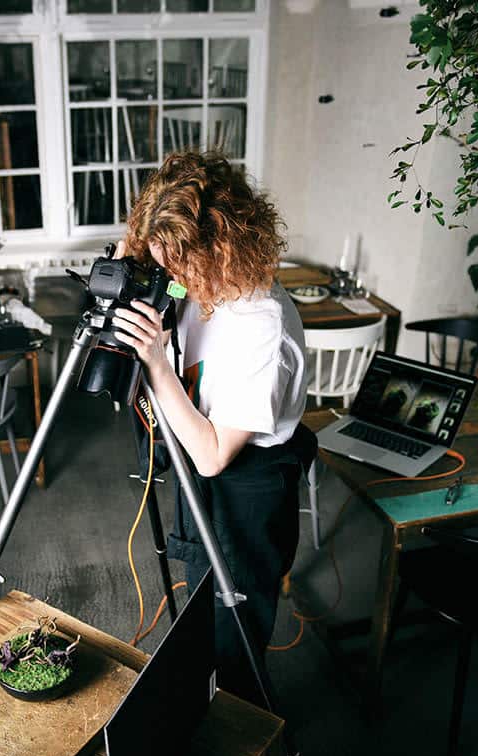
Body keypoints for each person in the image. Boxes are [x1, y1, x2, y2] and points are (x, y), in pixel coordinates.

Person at [110, 151, 315, 705]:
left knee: (236, 629)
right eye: (163, 265)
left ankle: (241, 743)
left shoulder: (261, 323)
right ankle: (200, 708)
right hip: (199, 448)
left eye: (179, 267)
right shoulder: (200, 286)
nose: (171, 281)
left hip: (249, 481)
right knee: (202, 602)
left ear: (222, 247)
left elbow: (212, 456)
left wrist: (154, 363)